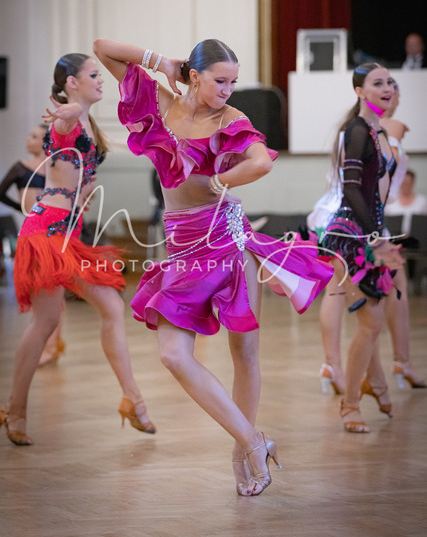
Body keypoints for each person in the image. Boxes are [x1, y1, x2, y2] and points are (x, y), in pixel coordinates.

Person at [93, 37, 333, 496]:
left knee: (245, 354)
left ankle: (242, 455)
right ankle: (253, 441)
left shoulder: (231, 119)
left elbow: (260, 162)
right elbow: (103, 48)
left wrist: (220, 180)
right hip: (183, 248)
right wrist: (160, 62)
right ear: (195, 75)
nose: (228, 90)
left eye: (233, 82)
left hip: (225, 242)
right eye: (220, 80)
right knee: (172, 354)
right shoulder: (162, 104)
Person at [0, 53, 155, 446]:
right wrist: (68, 110)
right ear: (71, 82)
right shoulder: (67, 120)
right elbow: (64, 121)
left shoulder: (87, 123)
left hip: (67, 234)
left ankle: (132, 399)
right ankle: (17, 410)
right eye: (93, 74)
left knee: (99, 310)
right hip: (46, 233)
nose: (101, 80)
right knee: (52, 321)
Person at [310, 80, 425, 395]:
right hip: (349, 219)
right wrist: (394, 137)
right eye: (383, 86)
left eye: (392, 87)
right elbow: (380, 180)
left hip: (358, 217)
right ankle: (341, 366)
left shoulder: (363, 128)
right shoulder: (375, 130)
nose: (391, 93)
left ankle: (393, 363)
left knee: (393, 281)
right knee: (343, 289)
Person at [320, 63, 406, 433]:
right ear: (359, 91)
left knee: (373, 321)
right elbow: (351, 188)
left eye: (390, 82)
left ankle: (377, 385)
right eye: (377, 83)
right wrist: (376, 237)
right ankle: (350, 405)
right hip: (351, 235)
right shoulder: (356, 130)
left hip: (367, 231)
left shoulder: (375, 129)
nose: (387, 88)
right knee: (371, 323)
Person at [0, 125, 67, 367]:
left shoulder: (56, 167)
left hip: (56, 232)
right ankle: (46, 344)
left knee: (55, 289)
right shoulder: (20, 167)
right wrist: (22, 209)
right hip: (34, 233)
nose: (29, 140)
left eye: (34, 136)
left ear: (45, 141)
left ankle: (52, 345)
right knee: (40, 290)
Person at [385, 169, 427, 235]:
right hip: (395, 237)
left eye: (408, 183)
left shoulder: (423, 202)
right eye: (403, 183)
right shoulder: (390, 203)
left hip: (417, 238)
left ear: (413, 183)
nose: (406, 186)